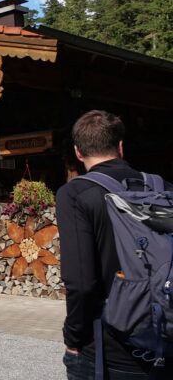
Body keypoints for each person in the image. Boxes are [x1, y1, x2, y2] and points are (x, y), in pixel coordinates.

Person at [56, 110, 168, 379]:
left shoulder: (75, 194)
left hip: (108, 347)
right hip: (165, 336)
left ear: (78, 152)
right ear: (120, 147)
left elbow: (81, 283)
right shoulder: (163, 187)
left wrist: (73, 338)